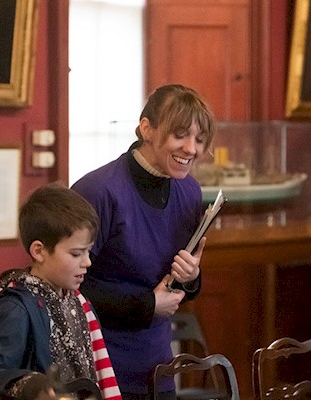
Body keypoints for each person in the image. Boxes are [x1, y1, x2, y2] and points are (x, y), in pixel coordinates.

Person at [71, 84, 215, 400]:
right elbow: (68, 288)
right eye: (180, 135)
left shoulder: (190, 192)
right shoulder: (98, 191)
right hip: (100, 364)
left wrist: (191, 279)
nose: (191, 148)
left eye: (200, 139)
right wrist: (147, 305)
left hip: (158, 364)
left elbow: (176, 288)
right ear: (146, 129)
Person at [0, 183, 121, 400]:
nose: (87, 262)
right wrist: (34, 385)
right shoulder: (16, 307)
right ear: (39, 251)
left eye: (88, 252)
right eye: (76, 254)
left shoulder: (77, 301)